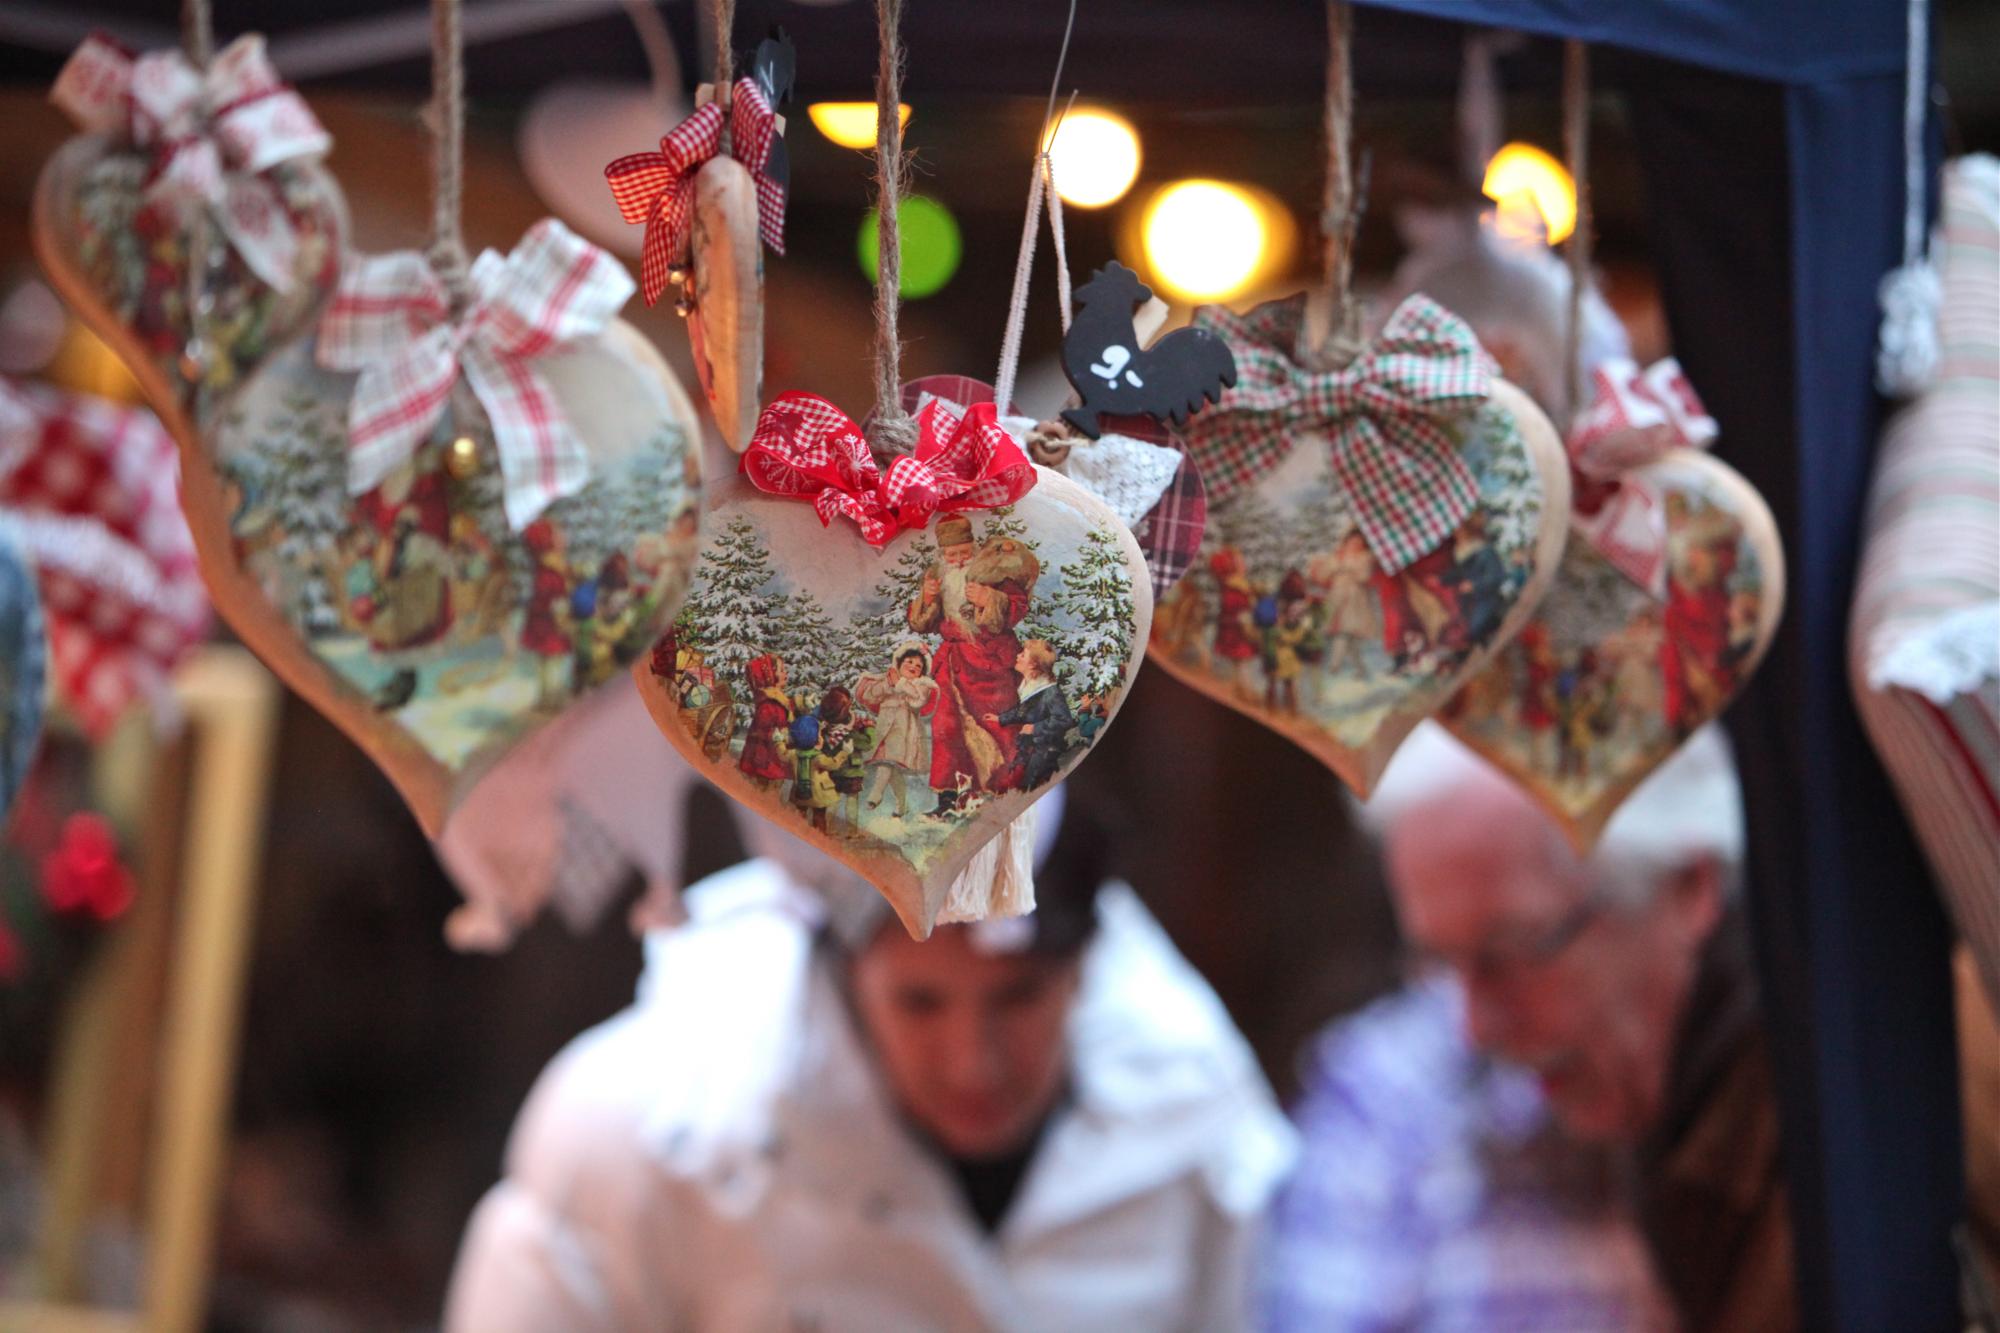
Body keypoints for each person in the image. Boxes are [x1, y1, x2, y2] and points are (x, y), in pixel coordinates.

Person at [443, 792, 1296, 1330]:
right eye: (920, 1002)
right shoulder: (641, 1123)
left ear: (1086, 970)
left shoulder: (1198, 1127)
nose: (974, 1062)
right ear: (842, 969)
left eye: (1020, 997)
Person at [1281, 722, 1793, 1332]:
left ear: (1687, 886)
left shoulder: (1806, 1117)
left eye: (1511, 953)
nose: (1473, 1027)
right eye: (1438, 963)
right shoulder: (1384, 1099)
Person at [907, 515, 1039, 816]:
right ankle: (949, 799)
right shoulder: (939, 578)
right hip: (952, 663)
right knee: (947, 729)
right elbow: (922, 622)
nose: (957, 560)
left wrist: (990, 599)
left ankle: (1004, 792)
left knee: (999, 723)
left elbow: (1017, 608)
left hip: (989, 661)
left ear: (974, 548)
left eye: (963, 552)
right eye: (951, 555)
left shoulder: (993, 573)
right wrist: (926, 600)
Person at [858, 641, 939, 819]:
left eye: (918, 666)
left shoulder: (921, 686)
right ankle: (902, 806)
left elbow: (918, 701)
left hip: (904, 733)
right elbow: (869, 694)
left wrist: (901, 684)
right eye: (909, 662)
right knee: (892, 770)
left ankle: (875, 795)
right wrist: (889, 683)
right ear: (899, 662)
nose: (913, 667)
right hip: (885, 731)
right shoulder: (887, 678)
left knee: (887, 763)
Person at [988, 639, 1076, 791]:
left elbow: (1064, 720)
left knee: (1027, 785)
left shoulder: (1050, 692)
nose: (1017, 656)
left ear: (1033, 664)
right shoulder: (1030, 687)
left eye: (1023, 655)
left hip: (1045, 750)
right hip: (1030, 746)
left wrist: (1035, 728)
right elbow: (1022, 711)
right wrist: (1001, 719)